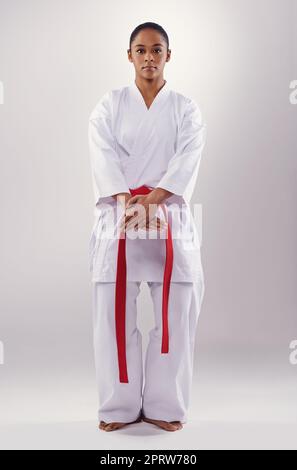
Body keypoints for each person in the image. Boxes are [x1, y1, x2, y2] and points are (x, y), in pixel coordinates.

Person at [88, 22, 206, 432]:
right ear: (129, 56)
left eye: (157, 50)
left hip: (168, 215)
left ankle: (164, 404)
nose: (149, 57)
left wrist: (155, 200)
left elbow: (188, 157)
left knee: (176, 312)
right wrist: (127, 202)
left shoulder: (185, 108)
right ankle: (118, 406)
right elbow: (102, 153)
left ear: (168, 56)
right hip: (120, 216)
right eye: (141, 50)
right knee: (111, 312)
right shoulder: (111, 104)